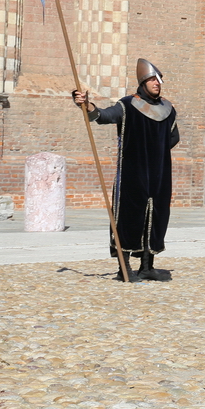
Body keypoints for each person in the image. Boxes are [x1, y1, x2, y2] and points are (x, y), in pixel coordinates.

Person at [72, 59, 178, 282]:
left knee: (156, 216)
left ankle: (147, 266)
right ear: (142, 82)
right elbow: (103, 116)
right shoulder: (128, 105)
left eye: (158, 80)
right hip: (133, 173)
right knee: (130, 217)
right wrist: (87, 105)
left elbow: (173, 138)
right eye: (151, 80)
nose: (156, 83)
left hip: (159, 174)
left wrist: (155, 152)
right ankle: (124, 267)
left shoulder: (168, 109)